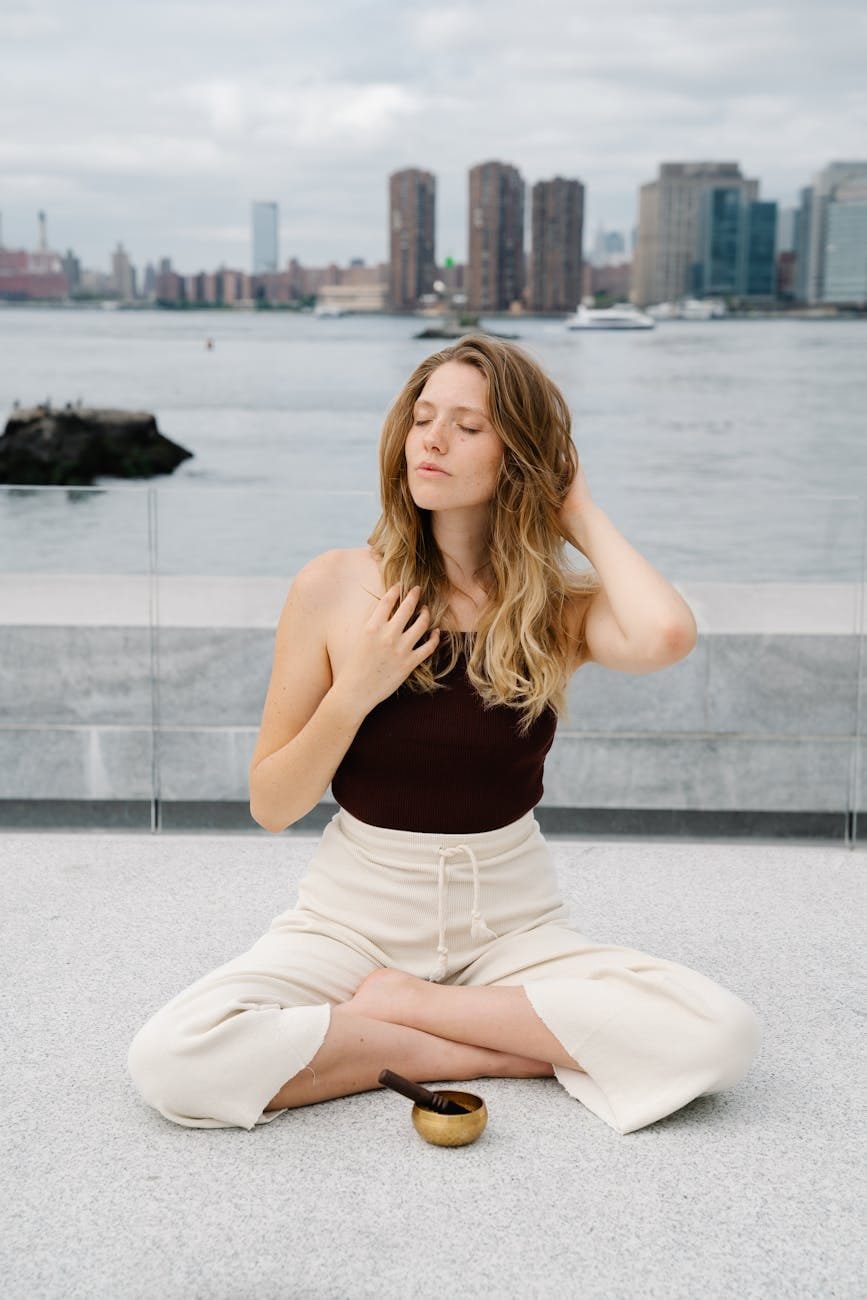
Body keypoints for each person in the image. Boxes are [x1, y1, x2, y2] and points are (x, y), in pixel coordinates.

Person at [127, 334, 760, 1135]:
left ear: (518, 457)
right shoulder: (332, 586)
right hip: (350, 919)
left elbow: (668, 635)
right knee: (173, 1058)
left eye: (467, 426)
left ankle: (413, 1014)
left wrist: (580, 512)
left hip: (512, 923)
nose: (430, 439)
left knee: (721, 1034)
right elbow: (272, 803)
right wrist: (356, 690)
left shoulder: (549, 609)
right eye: (422, 418)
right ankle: (474, 1043)